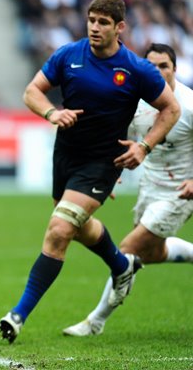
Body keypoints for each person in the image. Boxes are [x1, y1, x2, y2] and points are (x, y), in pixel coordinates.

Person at [0, 0, 181, 344]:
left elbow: (170, 109)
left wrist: (144, 146)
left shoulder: (136, 69)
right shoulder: (69, 55)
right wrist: (52, 112)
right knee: (75, 226)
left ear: (119, 27)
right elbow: (32, 91)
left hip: (103, 162)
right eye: (91, 20)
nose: (95, 28)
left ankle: (18, 315)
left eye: (103, 23)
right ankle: (120, 265)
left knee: (59, 229)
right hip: (66, 155)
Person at [63, 43, 193, 337]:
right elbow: (120, 141)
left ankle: (95, 321)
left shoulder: (188, 105)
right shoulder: (138, 102)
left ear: (175, 69)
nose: (158, 72)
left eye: (165, 66)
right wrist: (108, 176)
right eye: (152, 66)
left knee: (128, 250)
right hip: (150, 186)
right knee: (152, 252)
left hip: (181, 192)